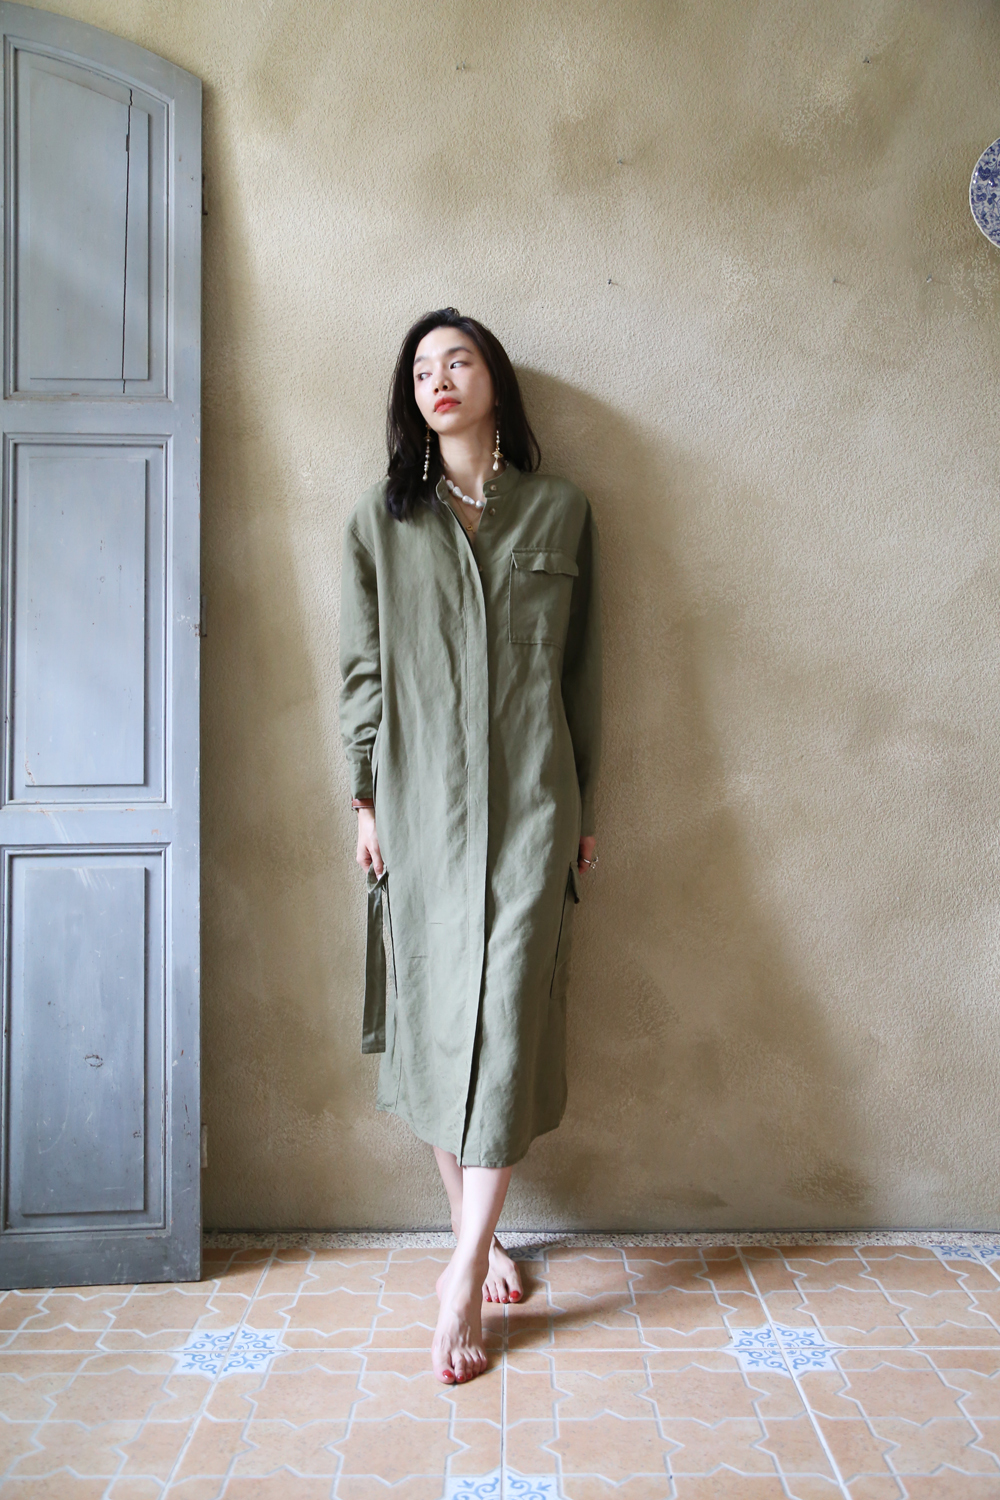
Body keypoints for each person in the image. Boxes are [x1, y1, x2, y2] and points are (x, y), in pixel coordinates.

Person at [339, 308, 602, 1385]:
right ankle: (477, 1241)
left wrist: (586, 809)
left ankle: (457, 1280)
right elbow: (363, 672)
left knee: (506, 1013)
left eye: (458, 361)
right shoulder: (380, 522)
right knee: (440, 1018)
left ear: (494, 380)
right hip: (419, 809)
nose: (438, 379)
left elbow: (583, 674)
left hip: (535, 804)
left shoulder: (561, 510)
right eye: (421, 369)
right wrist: (365, 800)